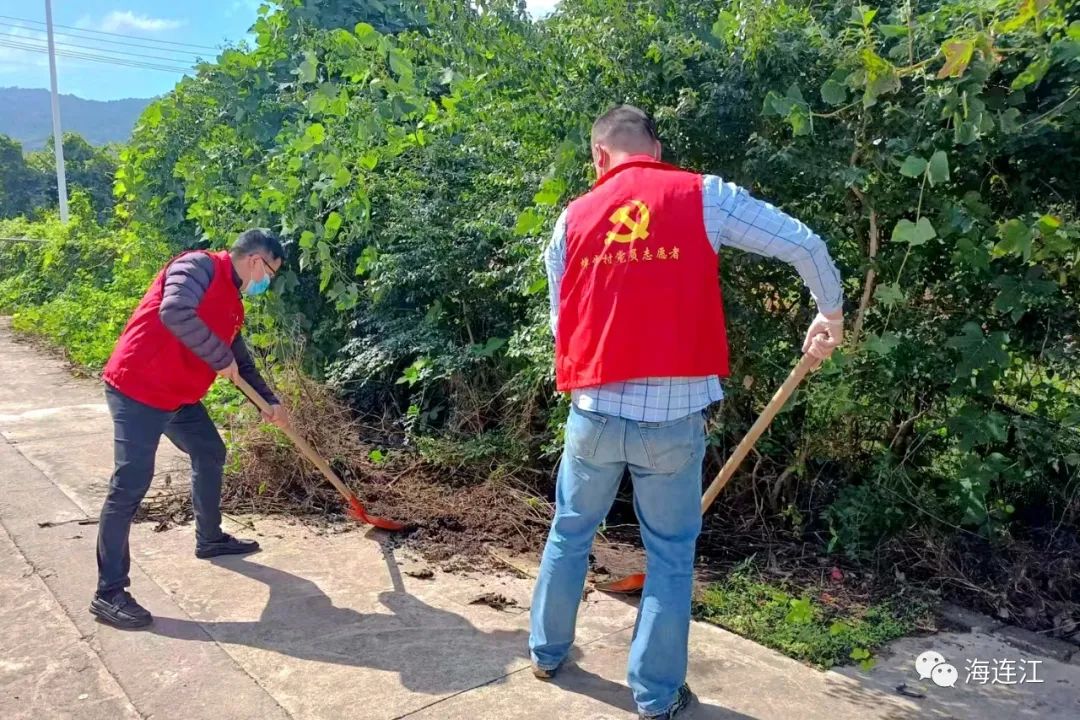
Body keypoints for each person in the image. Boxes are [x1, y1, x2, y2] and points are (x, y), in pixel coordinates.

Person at [529, 105, 844, 719]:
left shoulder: (571, 221)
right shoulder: (703, 195)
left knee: (570, 531)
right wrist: (827, 313)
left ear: (599, 156)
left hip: (592, 416)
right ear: (656, 146)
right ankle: (655, 696)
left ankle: (546, 652)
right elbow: (805, 243)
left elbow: (561, 325)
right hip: (671, 424)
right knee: (670, 554)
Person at [91, 229, 290, 630]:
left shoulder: (234, 305)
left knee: (210, 451)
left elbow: (241, 363)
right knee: (130, 483)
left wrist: (270, 403)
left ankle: (210, 538)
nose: (266, 281)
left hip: (177, 397)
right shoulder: (196, 266)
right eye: (271, 271)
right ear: (256, 261)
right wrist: (218, 357)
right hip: (138, 388)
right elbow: (175, 311)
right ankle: (108, 593)